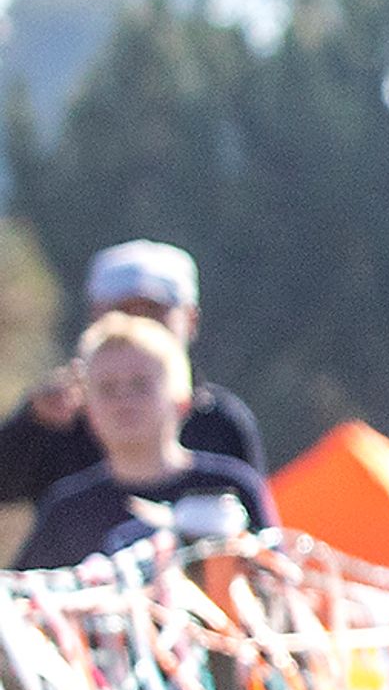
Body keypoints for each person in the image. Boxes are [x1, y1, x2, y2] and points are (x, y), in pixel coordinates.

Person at [0, 242, 268, 517]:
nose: (138, 326)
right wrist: (31, 423)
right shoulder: (60, 419)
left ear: (190, 320)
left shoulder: (222, 424)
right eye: (122, 312)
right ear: (95, 317)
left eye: (154, 312)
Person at [11, 314, 277, 570]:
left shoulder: (232, 485)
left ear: (182, 401)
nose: (124, 401)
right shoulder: (67, 511)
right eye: (107, 388)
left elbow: (281, 579)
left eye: (141, 385)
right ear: (88, 411)